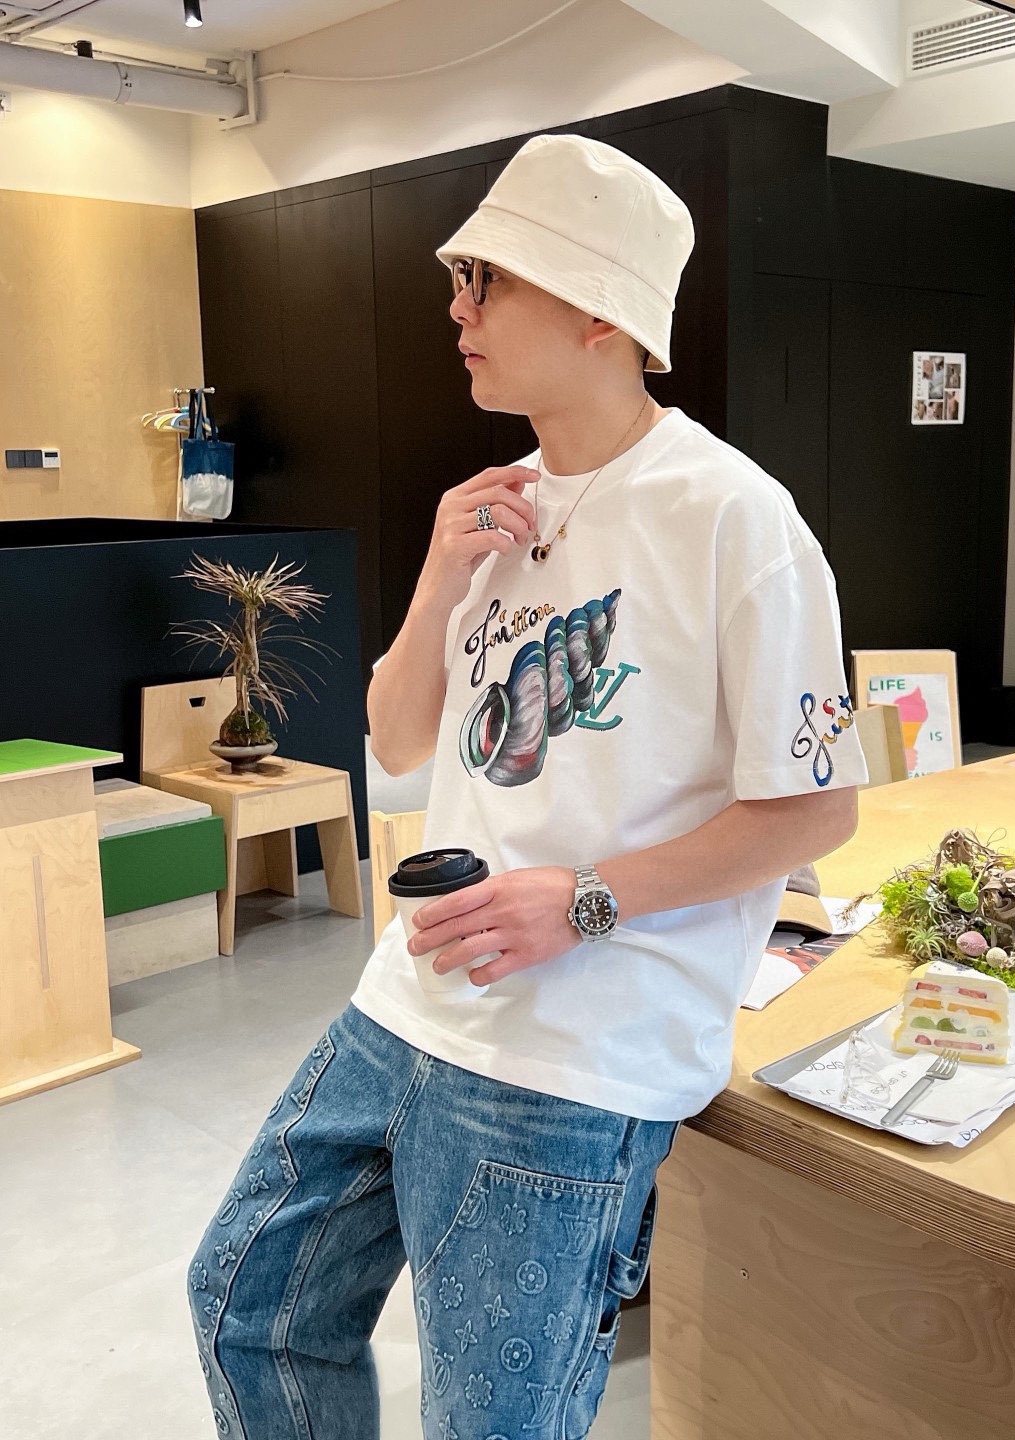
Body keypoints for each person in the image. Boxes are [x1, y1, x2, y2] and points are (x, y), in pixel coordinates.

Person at [188, 133, 867, 1440]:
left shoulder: (737, 519)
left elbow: (816, 810)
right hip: (407, 1001)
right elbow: (395, 738)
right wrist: (439, 577)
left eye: (486, 279)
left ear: (601, 309)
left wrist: (585, 900)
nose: (457, 310)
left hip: (576, 1054)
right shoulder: (498, 507)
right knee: (245, 1300)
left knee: (489, 1421)